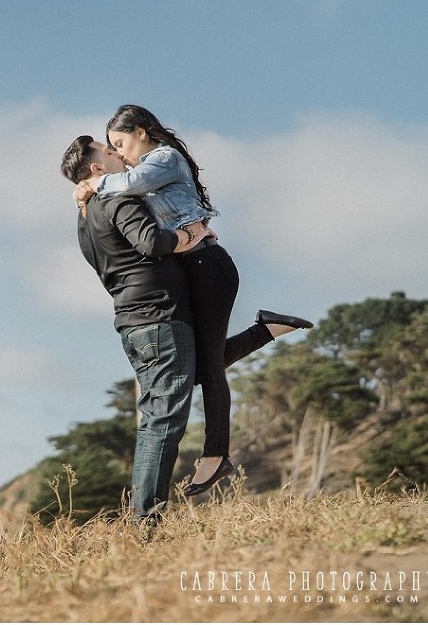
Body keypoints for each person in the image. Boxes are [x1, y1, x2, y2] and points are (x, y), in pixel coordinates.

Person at [60, 136, 309, 519]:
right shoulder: (118, 199)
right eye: (108, 151)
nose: (117, 154)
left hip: (135, 323)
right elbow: (152, 241)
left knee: (187, 380)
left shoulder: (85, 217)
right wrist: (192, 235)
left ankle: (267, 330)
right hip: (159, 318)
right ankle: (146, 519)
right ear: (95, 168)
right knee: (164, 417)